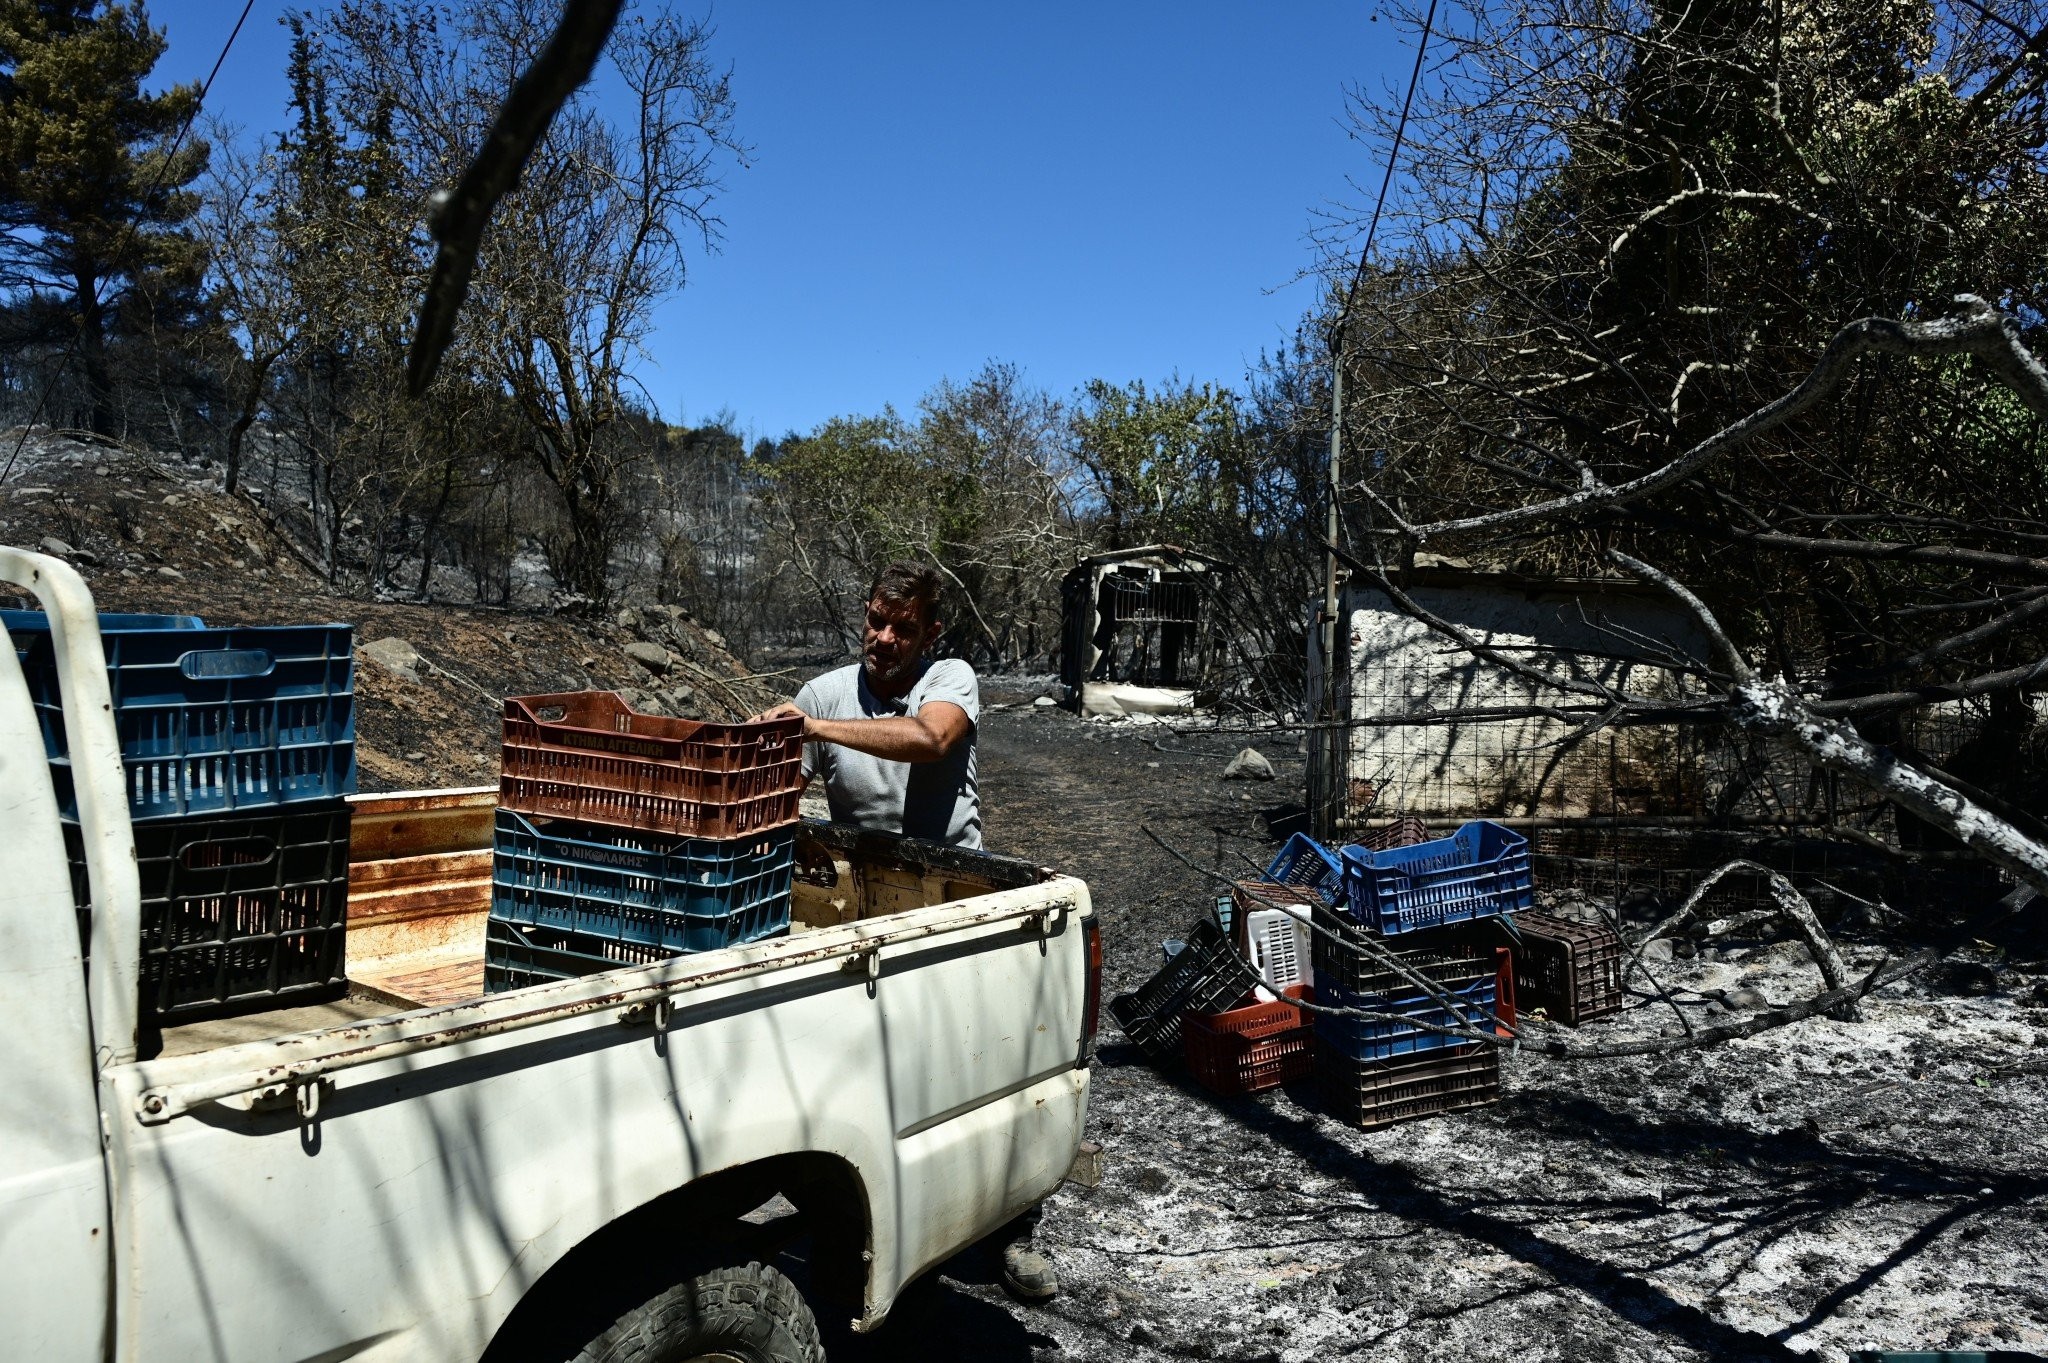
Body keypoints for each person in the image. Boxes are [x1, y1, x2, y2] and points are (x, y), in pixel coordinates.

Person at [757, 561, 1058, 1302]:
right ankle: (875, 1212)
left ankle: (1013, 1224)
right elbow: (779, 793)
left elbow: (929, 739)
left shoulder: (949, 679)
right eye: (875, 621)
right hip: (861, 898)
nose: (884, 638)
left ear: (929, 633)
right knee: (870, 1063)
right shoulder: (823, 693)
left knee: (982, 1058)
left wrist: (813, 728)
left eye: (902, 627)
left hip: (954, 897)